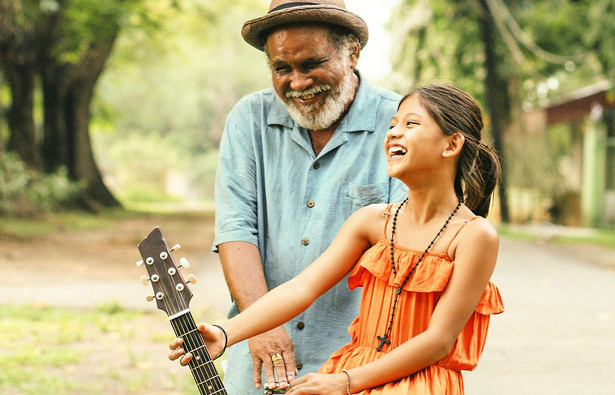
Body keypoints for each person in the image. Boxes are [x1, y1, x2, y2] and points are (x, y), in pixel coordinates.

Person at [171, 83, 505, 394]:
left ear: (452, 144)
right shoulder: (372, 221)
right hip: (353, 372)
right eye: (392, 124)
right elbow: (301, 288)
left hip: (415, 382)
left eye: (411, 124)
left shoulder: (473, 236)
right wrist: (227, 333)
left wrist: (345, 383)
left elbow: (439, 341)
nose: (393, 133)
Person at [211, 0, 405, 393]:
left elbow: (409, 248)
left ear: (352, 53)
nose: (297, 82)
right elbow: (236, 230)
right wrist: (261, 325)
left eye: (311, 64)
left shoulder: (400, 123)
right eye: (282, 68)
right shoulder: (248, 120)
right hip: (257, 360)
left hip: (358, 364)